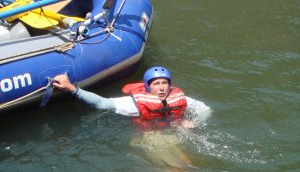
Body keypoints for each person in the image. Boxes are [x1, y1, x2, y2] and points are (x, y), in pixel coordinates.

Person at [52, 66, 211, 128]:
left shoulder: (182, 99)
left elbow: (206, 110)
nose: (162, 87)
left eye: (164, 83)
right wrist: (72, 88)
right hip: (151, 136)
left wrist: (195, 123)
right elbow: (102, 103)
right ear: (148, 86)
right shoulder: (133, 103)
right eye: (156, 83)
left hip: (176, 130)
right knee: (176, 170)